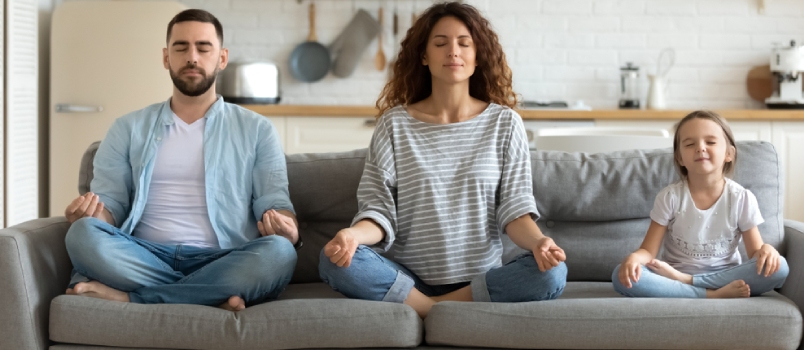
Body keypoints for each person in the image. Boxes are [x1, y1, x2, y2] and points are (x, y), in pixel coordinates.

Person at [318, 2, 567, 319]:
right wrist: (352, 236)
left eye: (464, 43)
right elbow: (378, 210)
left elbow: (515, 210)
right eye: (440, 43)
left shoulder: (505, 123)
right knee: (333, 260)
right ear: (424, 56)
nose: (453, 51)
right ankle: (439, 308)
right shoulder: (394, 124)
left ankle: (428, 310)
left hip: (480, 278)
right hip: (407, 277)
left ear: (478, 56)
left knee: (552, 272)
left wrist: (541, 242)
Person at [63, 9, 300, 311]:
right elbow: (111, 206)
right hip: (144, 254)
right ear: (166, 57)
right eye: (181, 47)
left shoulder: (257, 129)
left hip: (223, 257)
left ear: (222, 58)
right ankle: (210, 296)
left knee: (279, 252)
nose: (192, 57)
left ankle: (132, 298)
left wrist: (288, 229)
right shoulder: (127, 128)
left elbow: (274, 201)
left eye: (203, 47)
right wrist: (91, 216)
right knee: (82, 235)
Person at [612, 110, 789, 298]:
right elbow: (648, 250)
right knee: (619, 276)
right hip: (672, 277)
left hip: (721, 276)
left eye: (710, 142)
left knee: (781, 267)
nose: (700, 148)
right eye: (689, 144)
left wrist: (767, 250)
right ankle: (711, 294)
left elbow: (756, 253)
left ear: (729, 153)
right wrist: (634, 258)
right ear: (680, 158)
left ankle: (690, 284)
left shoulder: (741, 197)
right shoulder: (669, 197)